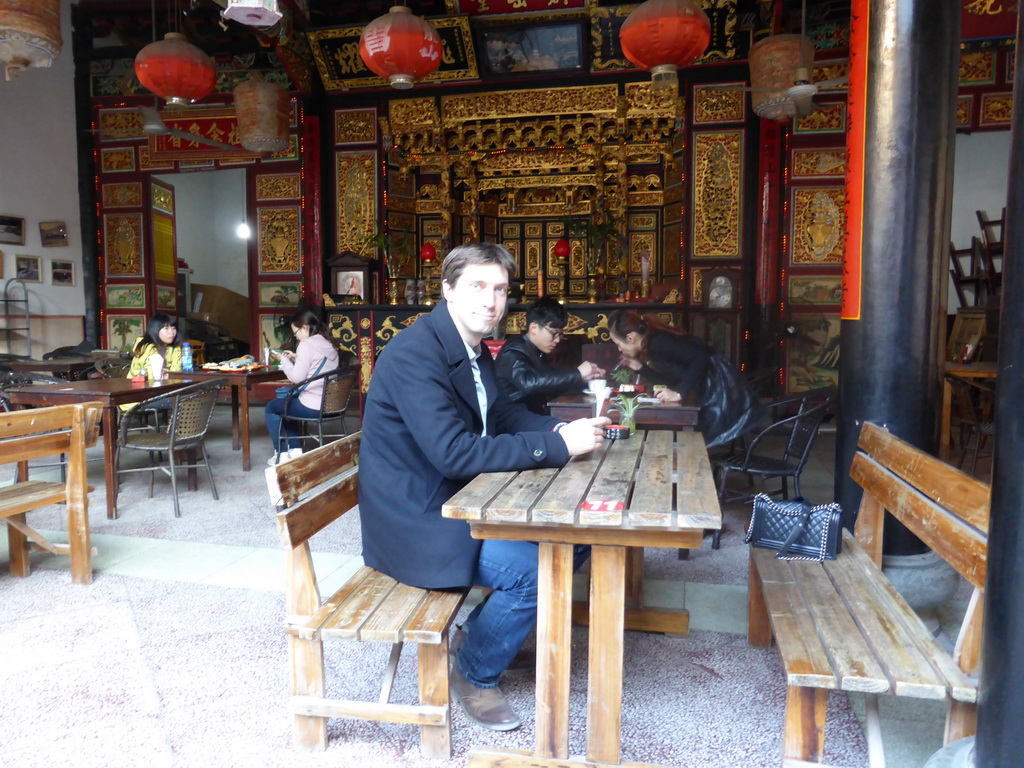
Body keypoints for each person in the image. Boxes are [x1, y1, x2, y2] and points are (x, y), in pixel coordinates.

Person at [358, 243, 608, 732]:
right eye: (477, 286)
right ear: (447, 289)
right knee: (536, 570)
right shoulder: (415, 354)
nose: (491, 301)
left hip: (456, 498)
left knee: (576, 539)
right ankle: (473, 671)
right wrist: (556, 449)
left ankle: (480, 633)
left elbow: (503, 414)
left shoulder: (472, 349)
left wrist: (560, 431)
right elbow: (454, 452)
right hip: (419, 518)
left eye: (500, 290)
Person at [607, 309, 764, 448]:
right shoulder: (653, 343)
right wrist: (640, 368)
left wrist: (679, 393)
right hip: (708, 384)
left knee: (688, 438)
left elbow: (699, 357)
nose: (619, 349)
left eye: (618, 343)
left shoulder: (657, 342)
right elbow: (674, 380)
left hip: (718, 386)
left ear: (630, 337)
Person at [494, 296, 605, 414]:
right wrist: (577, 373)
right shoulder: (513, 351)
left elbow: (549, 383)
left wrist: (581, 379)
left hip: (528, 414)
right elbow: (529, 384)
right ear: (534, 328)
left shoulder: (536, 350)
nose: (557, 340)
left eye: (560, 334)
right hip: (509, 418)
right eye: (554, 333)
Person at [264, 309, 340, 465]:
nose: (295, 336)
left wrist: (283, 360)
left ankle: (282, 453)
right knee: (288, 401)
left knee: (272, 407)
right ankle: (295, 449)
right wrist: (297, 358)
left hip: (313, 406)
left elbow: (296, 378)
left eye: (296, 332)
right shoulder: (328, 342)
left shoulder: (306, 344)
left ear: (305, 328)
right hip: (332, 404)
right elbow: (317, 363)